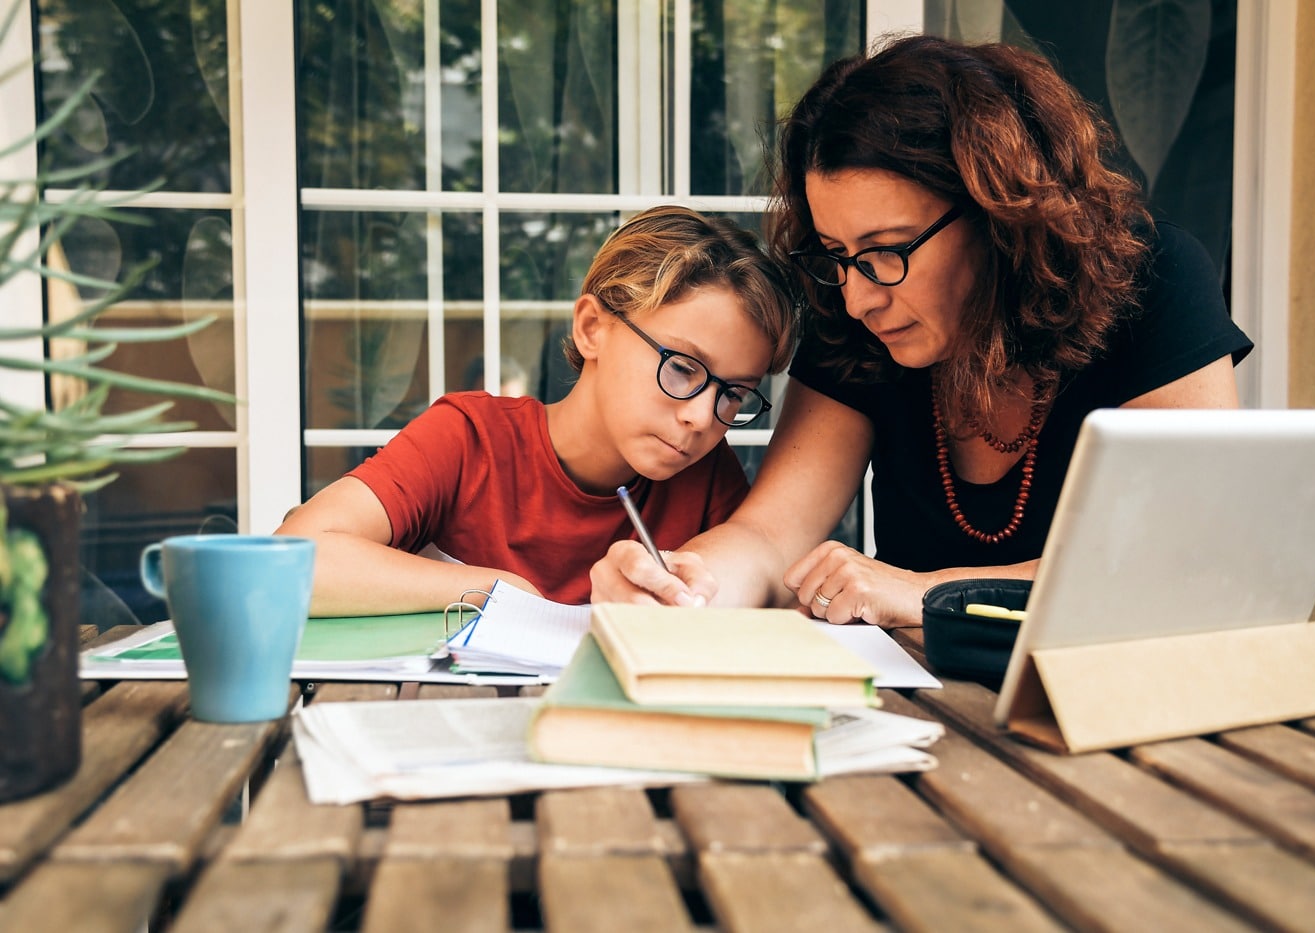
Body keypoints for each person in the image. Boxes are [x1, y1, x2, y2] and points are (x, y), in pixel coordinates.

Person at [589, 34, 1253, 628]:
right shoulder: (857, 321)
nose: (857, 297)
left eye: (886, 250)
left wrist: (928, 590)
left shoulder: (1154, 281)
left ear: (999, 213)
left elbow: (1182, 557)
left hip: (1122, 700)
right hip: (924, 712)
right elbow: (768, 536)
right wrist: (684, 584)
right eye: (837, 255)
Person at [276, 205, 797, 615]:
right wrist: (495, 587)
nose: (703, 418)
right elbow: (291, 560)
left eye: (733, 394)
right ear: (592, 328)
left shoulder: (707, 477)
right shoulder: (469, 439)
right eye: (683, 368)